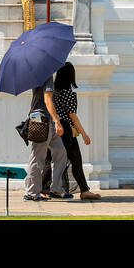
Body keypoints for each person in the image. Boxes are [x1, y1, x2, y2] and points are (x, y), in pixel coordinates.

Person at [50, 62, 101, 201]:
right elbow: (72, 115)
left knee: (55, 159)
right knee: (75, 160)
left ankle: (45, 187)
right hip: (67, 129)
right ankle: (84, 190)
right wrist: (84, 134)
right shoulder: (68, 93)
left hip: (58, 127)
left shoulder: (54, 92)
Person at [23, 69, 68, 202]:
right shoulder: (46, 75)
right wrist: (57, 120)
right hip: (42, 120)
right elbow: (47, 100)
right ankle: (31, 192)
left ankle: (56, 188)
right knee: (37, 157)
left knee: (60, 152)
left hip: (44, 119)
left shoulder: (35, 74)